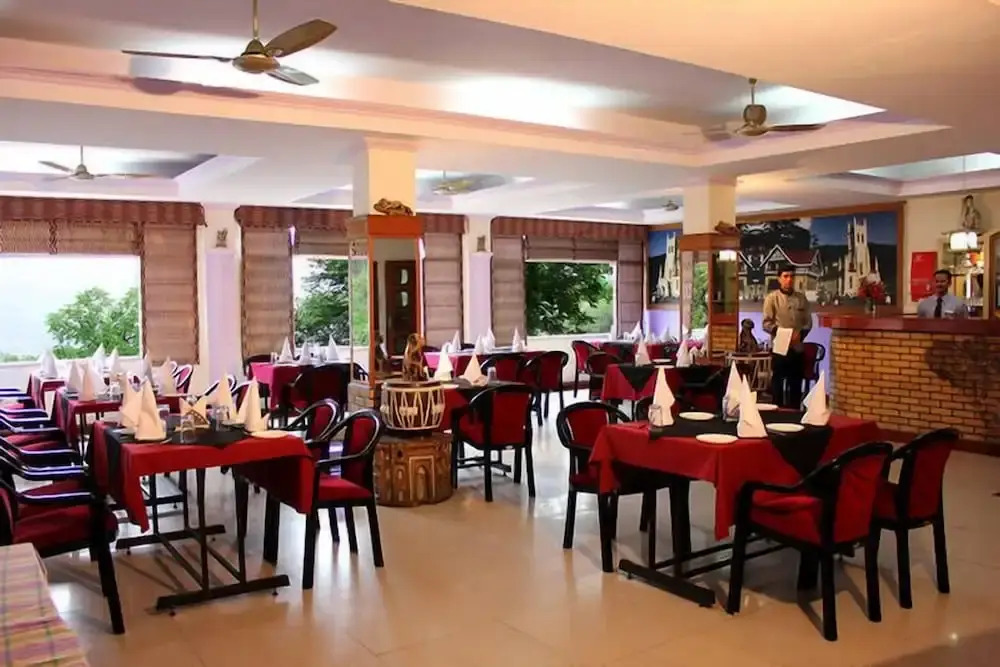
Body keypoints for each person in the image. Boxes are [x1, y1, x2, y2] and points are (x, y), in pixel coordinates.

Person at [762, 265, 812, 408]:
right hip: (780, 348)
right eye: (785, 276)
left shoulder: (801, 299)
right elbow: (766, 323)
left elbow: (808, 322)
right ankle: (777, 413)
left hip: (797, 348)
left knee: (795, 384)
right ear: (779, 279)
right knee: (777, 384)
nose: (789, 279)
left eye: (792, 276)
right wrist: (783, 334)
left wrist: (800, 335)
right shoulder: (772, 298)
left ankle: (794, 414)